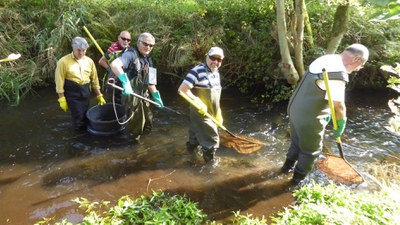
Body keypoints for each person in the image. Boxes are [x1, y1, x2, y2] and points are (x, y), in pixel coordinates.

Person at [282, 43, 369, 184]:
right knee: (311, 151)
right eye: (361, 65)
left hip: (294, 109)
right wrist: (341, 123)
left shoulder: (327, 59)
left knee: (297, 143)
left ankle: (284, 170)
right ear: (356, 59)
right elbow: (339, 106)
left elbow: (319, 90)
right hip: (309, 118)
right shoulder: (338, 72)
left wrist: (327, 112)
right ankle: (295, 183)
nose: (358, 69)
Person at [109, 32, 164, 141]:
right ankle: (133, 148)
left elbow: (151, 82)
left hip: (144, 95)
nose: (148, 47)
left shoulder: (149, 60)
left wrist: (156, 96)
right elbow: (114, 64)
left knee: (147, 122)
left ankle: (141, 143)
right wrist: (126, 82)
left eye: (151, 45)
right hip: (131, 96)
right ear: (138, 42)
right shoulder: (131, 54)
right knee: (135, 127)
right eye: (145, 44)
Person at [178, 47, 224, 165]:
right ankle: (210, 166)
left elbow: (215, 97)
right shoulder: (197, 71)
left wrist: (218, 113)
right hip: (200, 112)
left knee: (195, 136)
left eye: (219, 59)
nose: (215, 62)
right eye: (213, 58)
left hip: (212, 112)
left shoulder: (216, 73)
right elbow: (182, 90)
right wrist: (197, 101)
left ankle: (189, 156)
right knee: (212, 138)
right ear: (207, 57)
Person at [55, 36, 106, 130]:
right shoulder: (63, 62)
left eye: (84, 50)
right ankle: (79, 139)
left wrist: (99, 95)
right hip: (72, 93)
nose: (81, 53)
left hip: (85, 91)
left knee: (86, 115)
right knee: (78, 118)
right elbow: (59, 81)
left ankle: (84, 133)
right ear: (73, 48)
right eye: (79, 50)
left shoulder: (89, 61)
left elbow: (94, 80)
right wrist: (61, 99)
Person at [98, 31, 131, 103]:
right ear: (119, 38)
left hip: (123, 79)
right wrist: (110, 70)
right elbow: (101, 61)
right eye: (123, 39)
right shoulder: (113, 49)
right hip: (112, 79)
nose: (126, 41)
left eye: (128, 40)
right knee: (111, 100)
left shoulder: (129, 50)